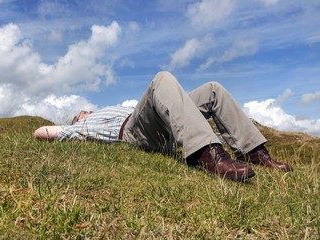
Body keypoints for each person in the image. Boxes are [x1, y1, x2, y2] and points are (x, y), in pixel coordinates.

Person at [34, 71, 292, 181]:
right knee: (161, 79)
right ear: (78, 119)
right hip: (135, 131)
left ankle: (255, 153)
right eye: (80, 113)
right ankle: (209, 155)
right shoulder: (85, 126)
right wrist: (69, 126)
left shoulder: (104, 108)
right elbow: (41, 133)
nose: (85, 111)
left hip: (163, 119)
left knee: (212, 89)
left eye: (85, 110)